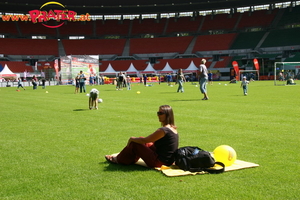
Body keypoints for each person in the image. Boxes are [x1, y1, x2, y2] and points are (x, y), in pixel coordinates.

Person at [105, 105, 179, 168]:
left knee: (135, 143)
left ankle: (117, 159)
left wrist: (132, 139)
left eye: (160, 113)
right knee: (140, 138)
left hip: (159, 162)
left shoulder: (163, 130)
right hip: (167, 160)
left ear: (167, 115)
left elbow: (145, 140)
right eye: (158, 113)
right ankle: (128, 158)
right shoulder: (172, 128)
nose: (158, 115)